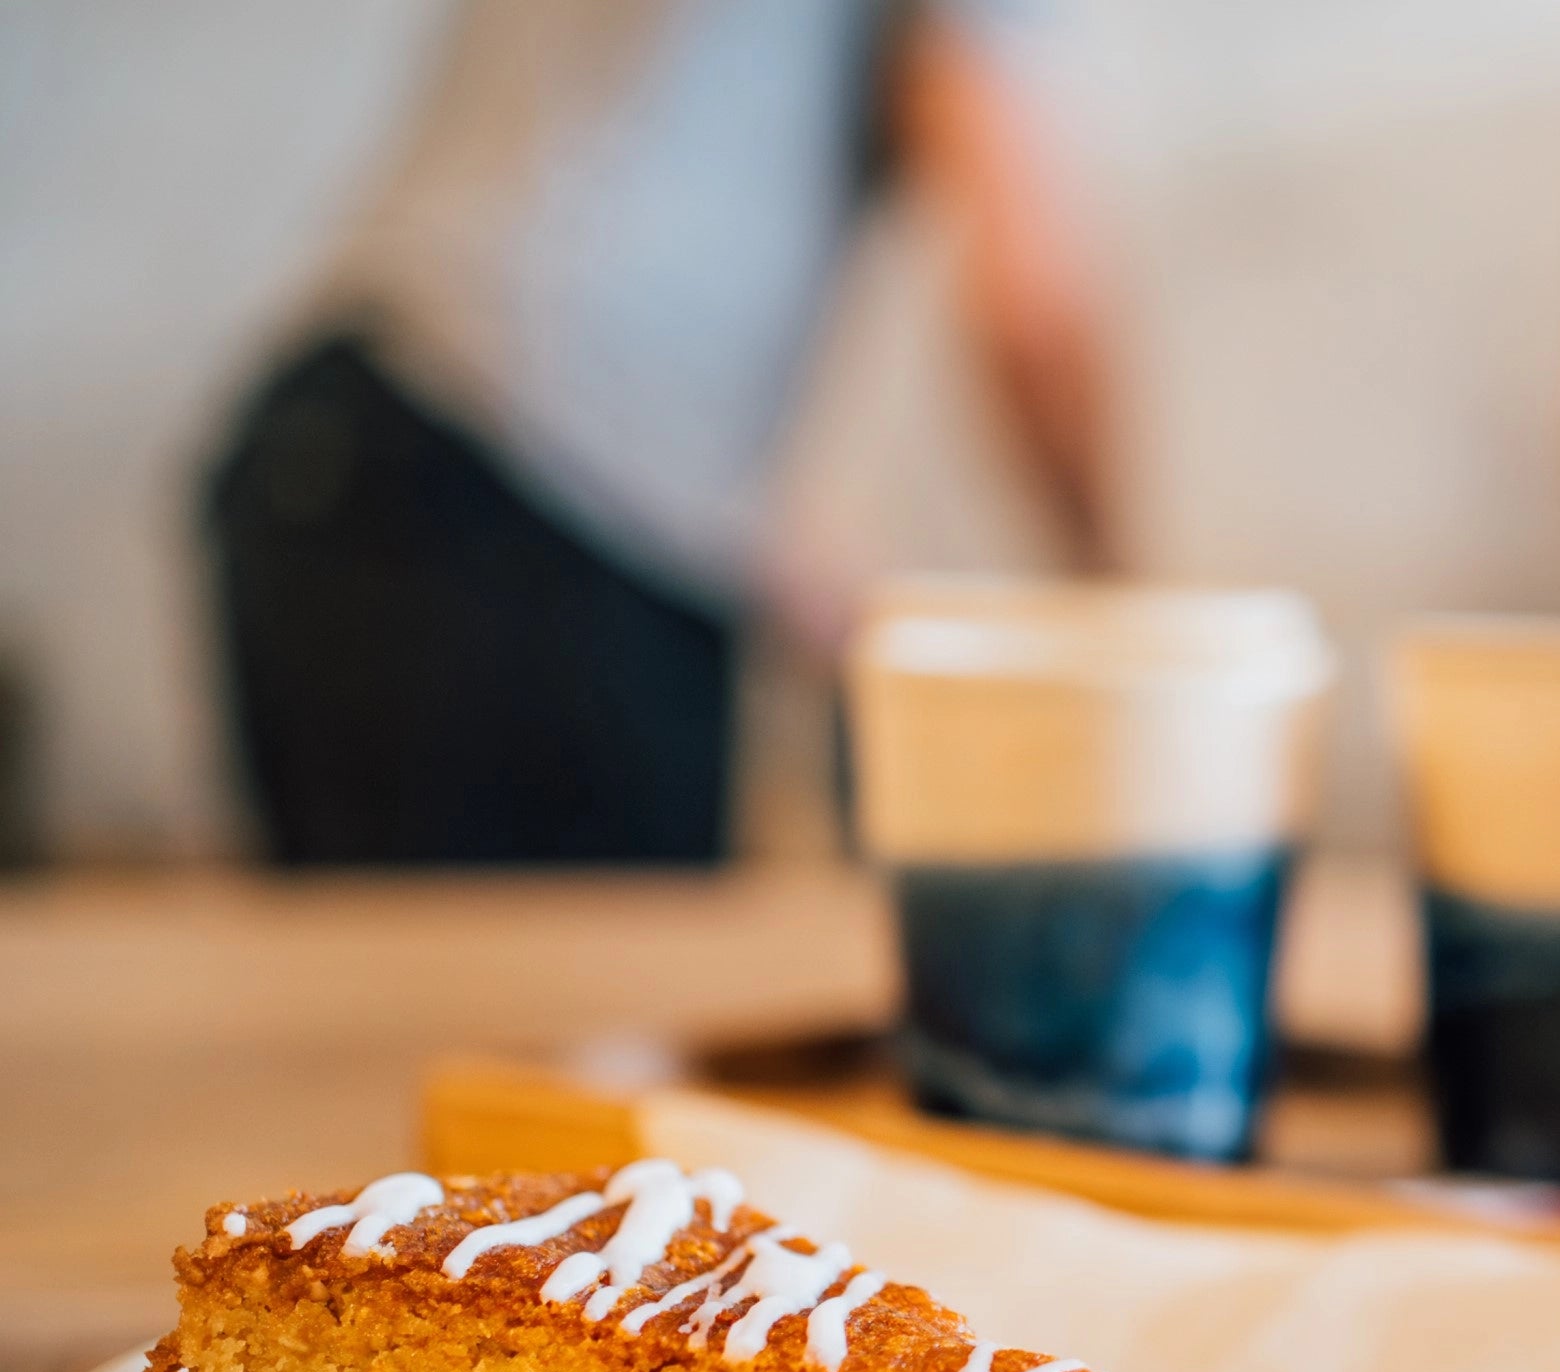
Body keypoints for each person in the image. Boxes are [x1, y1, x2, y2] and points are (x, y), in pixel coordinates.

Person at [205, 0, 1108, 865]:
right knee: (589, 1017)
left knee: (412, 1017)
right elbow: (1028, 311)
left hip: (334, 451)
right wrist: (1115, 609)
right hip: (518, 515)